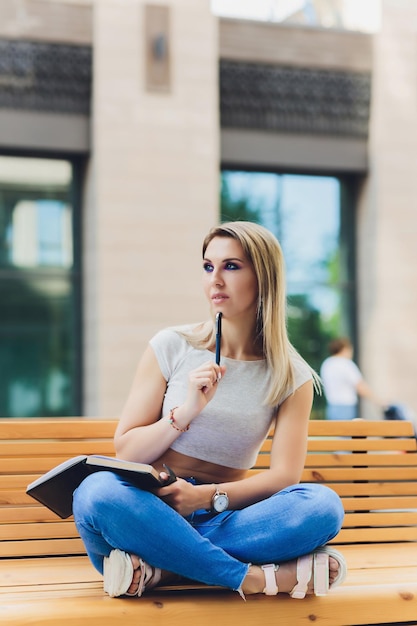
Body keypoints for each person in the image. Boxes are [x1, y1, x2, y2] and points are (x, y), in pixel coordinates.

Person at [73, 221, 346, 600]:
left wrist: (205, 498)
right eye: (207, 266)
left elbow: (284, 476)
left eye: (231, 266)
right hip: (150, 508)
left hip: (225, 512)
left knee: (323, 507)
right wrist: (186, 411)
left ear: (263, 277)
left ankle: (163, 569)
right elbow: (127, 452)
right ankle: (251, 578)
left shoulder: (292, 375)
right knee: (96, 492)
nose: (215, 279)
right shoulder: (171, 346)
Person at [320, 337, 382, 420]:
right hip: (346, 407)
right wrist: (378, 401)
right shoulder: (346, 364)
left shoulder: (327, 364)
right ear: (345, 349)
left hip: (332, 407)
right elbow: (360, 386)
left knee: (335, 432)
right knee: (347, 432)